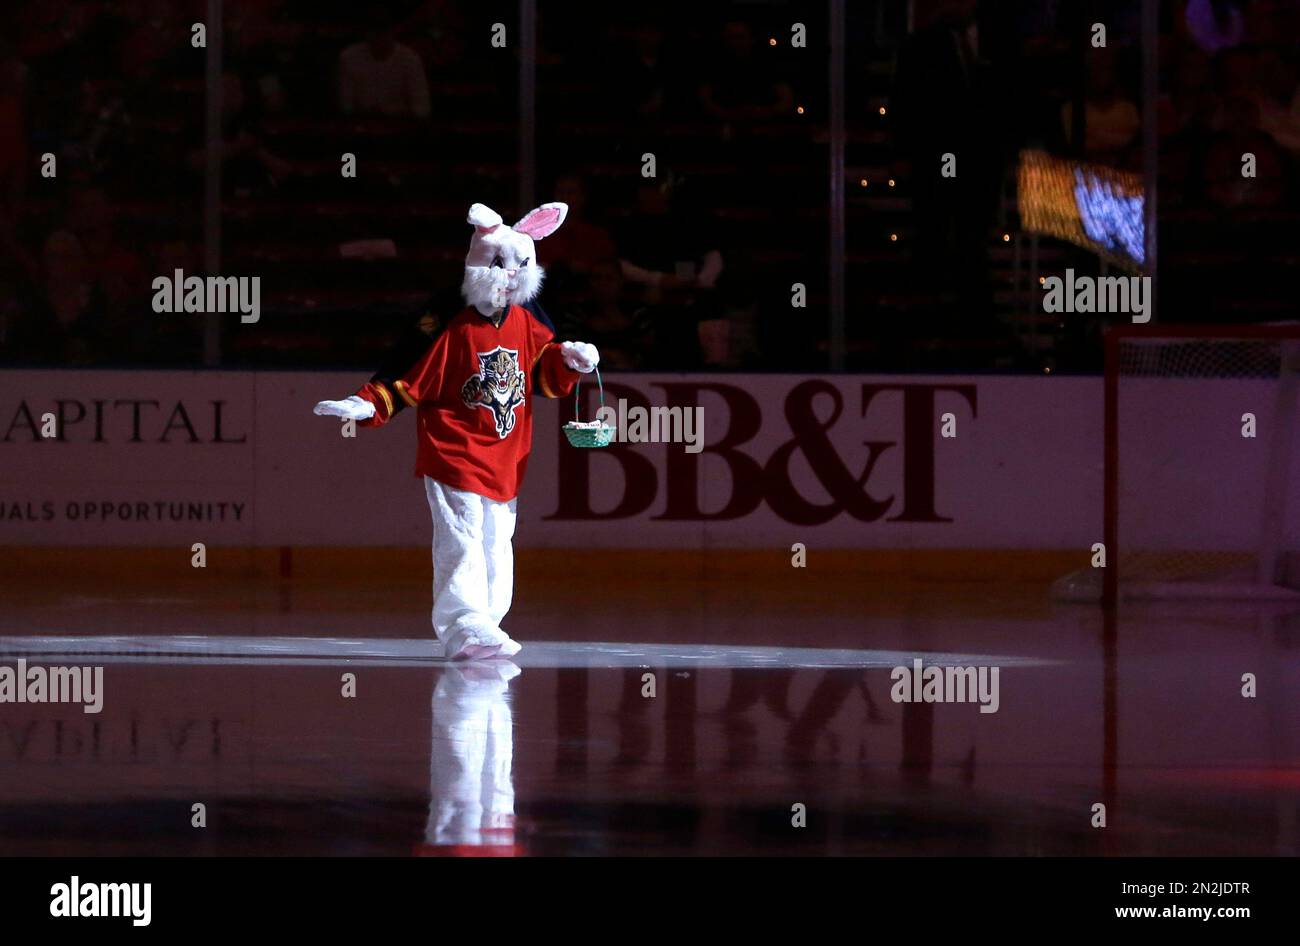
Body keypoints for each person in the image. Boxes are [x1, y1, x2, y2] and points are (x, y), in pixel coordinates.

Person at [313, 202, 600, 661]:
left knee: (495, 538)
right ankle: (463, 623)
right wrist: (366, 401)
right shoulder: (448, 315)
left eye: (518, 269)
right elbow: (408, 366)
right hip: (453, 446)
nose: (509, 279)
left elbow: (543, 372)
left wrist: (569, 360)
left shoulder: (528, 317)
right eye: (500, 267)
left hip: (506, 451)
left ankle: (486, 620)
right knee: (461, 534)